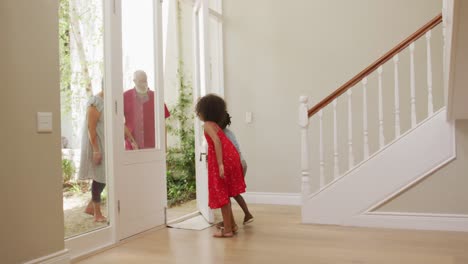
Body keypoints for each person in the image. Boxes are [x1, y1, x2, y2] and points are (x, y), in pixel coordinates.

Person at [195, 94, 246, 238]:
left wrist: (220, 164)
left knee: (222, 194)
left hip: (224, 159)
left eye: (198, 110)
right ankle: (232, 225)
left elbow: (217, 142)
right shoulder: (215, 124)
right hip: (231, 157)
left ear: (205, 111)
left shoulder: (207, 125)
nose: (197, 113)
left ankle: (228, 230)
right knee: (226, 192)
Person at [216, 112, 254, 227]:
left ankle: (229, 222)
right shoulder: (229, 132)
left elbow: (226, 152)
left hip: (234, 165)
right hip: (241, 163)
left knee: (227, 193)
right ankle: (247, 215)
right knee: (234, 192)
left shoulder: (221, 135)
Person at [78, 91, 107, 223]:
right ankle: (97, 213)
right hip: (97, 144)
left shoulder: (107, 101)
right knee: (99, 177)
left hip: (105, 144)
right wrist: (96, 150)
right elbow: (91, 128)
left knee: (105, 176)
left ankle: (91, 206)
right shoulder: (95, 102)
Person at [124, 70, 170, 150]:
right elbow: (119, 122)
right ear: (134, 81)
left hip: (153, 147)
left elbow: (163, 124)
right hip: (132, 148)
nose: (143, 84)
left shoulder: (156, 97)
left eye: (145, 80)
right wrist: (131, 141)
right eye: (140, 81)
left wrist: (164, 146)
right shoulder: (125, 96)